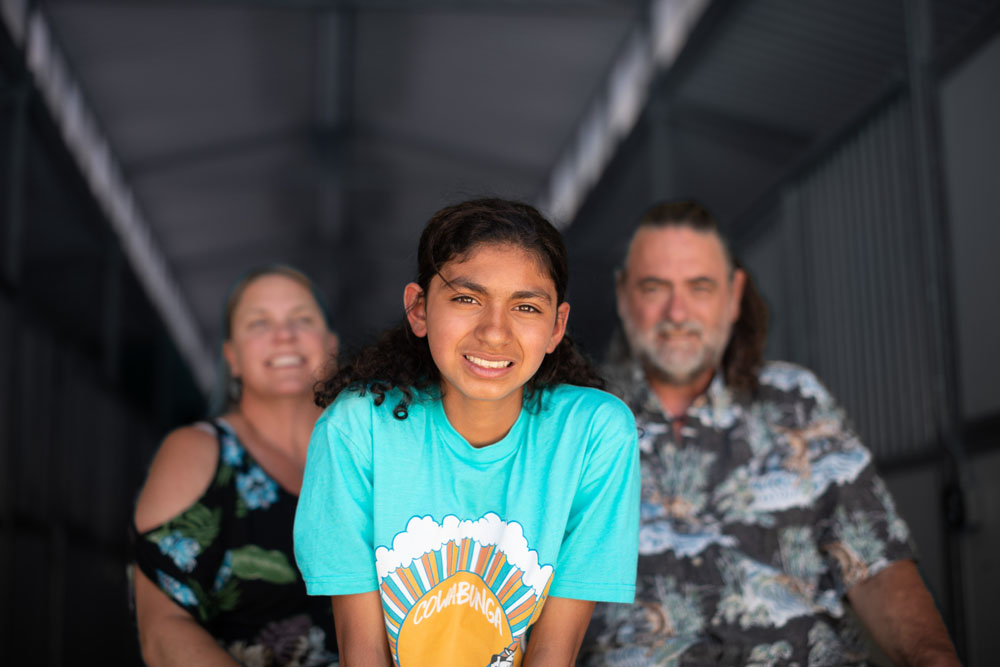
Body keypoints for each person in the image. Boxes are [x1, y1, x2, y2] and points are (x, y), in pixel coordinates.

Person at [580, 200, 961, 666]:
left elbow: (875, 564)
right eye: (654, 287)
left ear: (734, 294)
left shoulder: (795, 400)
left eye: (699, 287)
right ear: (623, 296)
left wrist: (936, 658)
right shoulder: (581, 418)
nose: (676, 312)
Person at [293, 198, 640, 666]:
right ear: (418, 309)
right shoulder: (357, 428)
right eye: (466, 299)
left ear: (557, 326)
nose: (494, 332)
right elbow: (364, 651)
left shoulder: (594, 433)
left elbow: (553, 653)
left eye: (525, 307)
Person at [131, 265, 340, 666]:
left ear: (331, 343)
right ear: (233, 357)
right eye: (259, 323)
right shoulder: (197, 451)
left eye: (302, 319)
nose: (284, 334)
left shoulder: (376, 451)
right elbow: (163, 628)